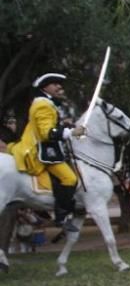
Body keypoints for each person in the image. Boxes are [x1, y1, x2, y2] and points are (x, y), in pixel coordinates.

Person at [7, 73, 87, 233]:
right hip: (41, 151)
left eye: (60, 84)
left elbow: (49, 126)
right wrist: (72, 132)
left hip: (46, 148)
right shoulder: (43, 105)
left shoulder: (45, 103)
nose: (59, 87)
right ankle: (61, 216)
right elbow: (47, 133)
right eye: (55, 84)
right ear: (45, 87)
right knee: (69, 178)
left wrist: (65, 125)